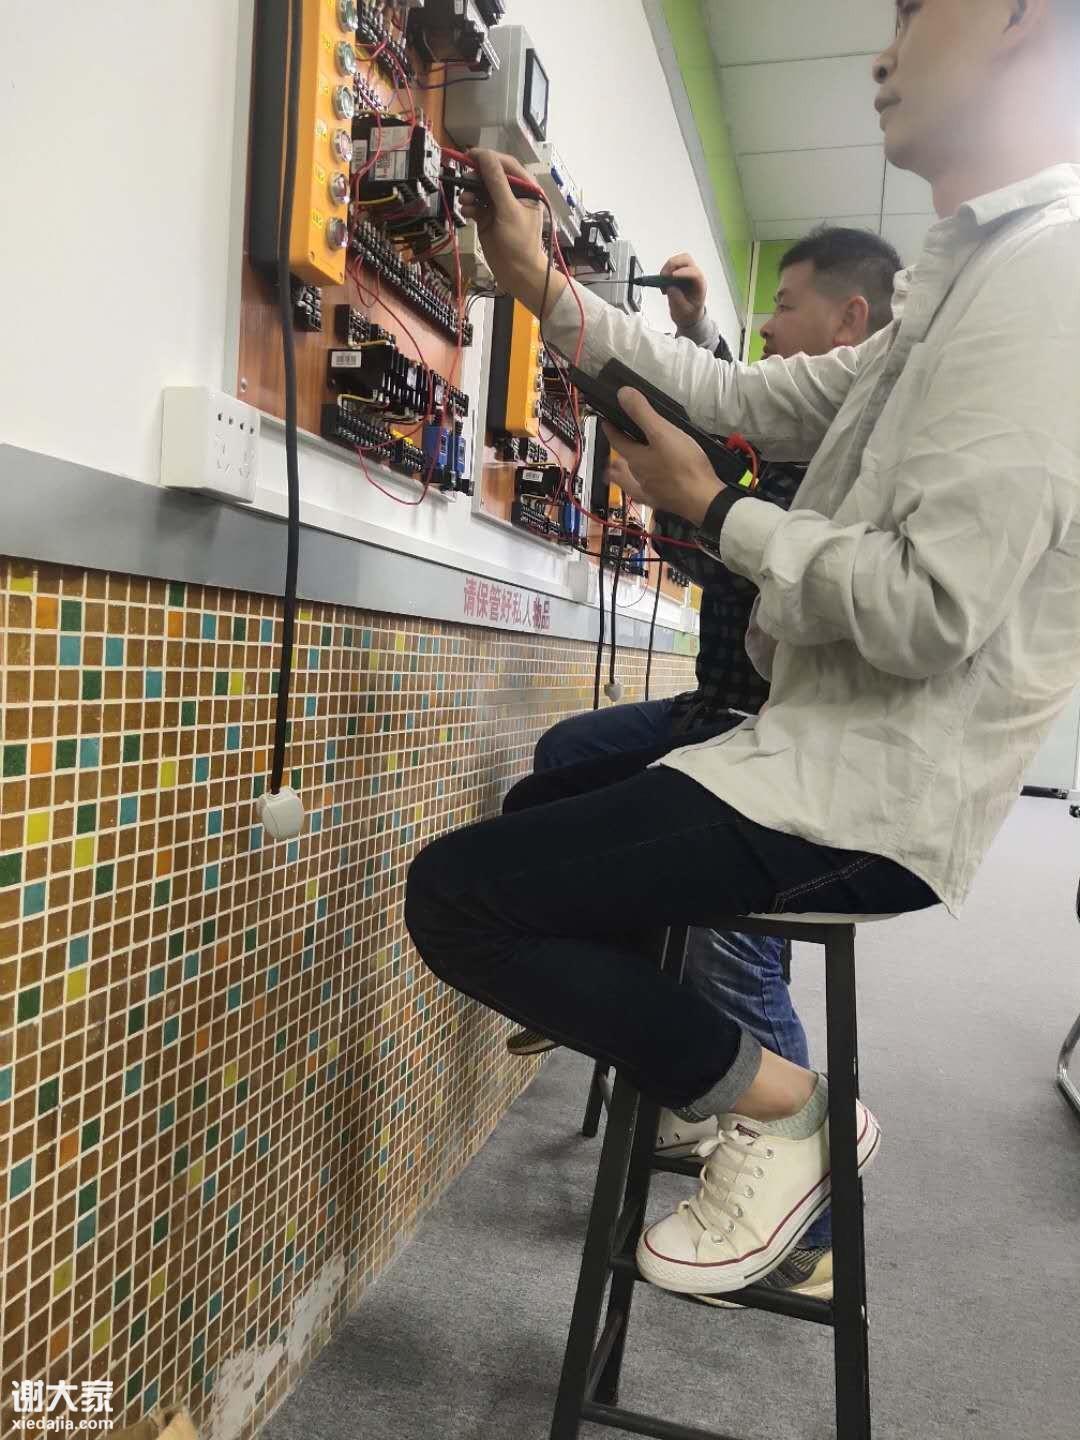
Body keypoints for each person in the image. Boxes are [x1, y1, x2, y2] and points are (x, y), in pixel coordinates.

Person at [406, 0, 1080, 1300]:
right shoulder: (961, 291)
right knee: (536, 831)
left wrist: (716, 512)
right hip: (806, 751)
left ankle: (785, 1114)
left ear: (1016, 20)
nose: (884, 52)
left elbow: (931, 608)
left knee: (463, 896)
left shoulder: (1049, 283)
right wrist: (541, 282)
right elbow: (730, 395)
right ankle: (726, 1083)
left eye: (913, 12)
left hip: (867, 794)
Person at [505, 230, 902, 1303]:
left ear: (850, 324)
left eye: (786, 307)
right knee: (563, 765)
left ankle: (807, 1215)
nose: (765, 328)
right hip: (713, 704)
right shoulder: (800, 428)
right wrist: (686, 336)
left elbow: (737, 477)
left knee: (730, 944)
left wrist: (691, 493)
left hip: (768, 736)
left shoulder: (853, 451)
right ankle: (636, 997)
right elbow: (728, 414)